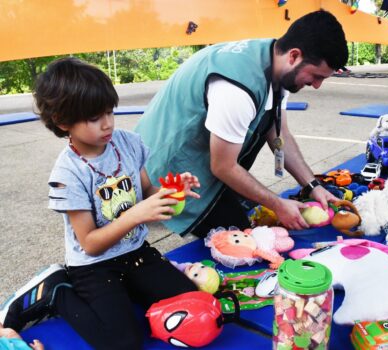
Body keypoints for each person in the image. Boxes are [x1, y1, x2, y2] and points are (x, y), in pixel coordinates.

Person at [0, 58, 200, 349]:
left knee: (190, 301)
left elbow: (146, 190)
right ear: (63, 122)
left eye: (109, 111)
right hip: (92, 267)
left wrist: (170, 192)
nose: (107, 123)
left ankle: (126, 290)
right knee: (124, 343)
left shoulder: (127, 143)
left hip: (135, 253)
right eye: (94, 118)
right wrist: (135, 216)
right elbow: (91, 243)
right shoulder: (67, 174)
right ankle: (56, 291)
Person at [135, 10, 349, 237]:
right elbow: (223, 166)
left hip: (209, 159)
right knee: (245, 239)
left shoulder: (277, 62)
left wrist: (313, 186)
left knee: (251, 224)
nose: (317, 85)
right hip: (170, 167)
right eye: (316, 76)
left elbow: (279, 134)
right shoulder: (237, 87)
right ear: (294, 56)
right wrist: (276, 204)